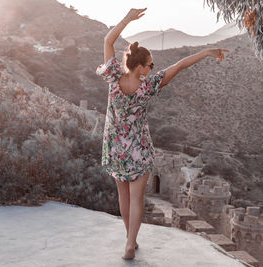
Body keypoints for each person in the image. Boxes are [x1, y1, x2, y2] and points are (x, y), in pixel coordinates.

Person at [96, 8, 229, 260]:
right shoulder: (147, 86)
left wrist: (127, 19)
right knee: (137, 199)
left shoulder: (113, 77)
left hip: (114, 148)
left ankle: (129, 241)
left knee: (123, 197)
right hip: (139, 150)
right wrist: (207, 52)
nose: (152, 68)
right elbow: (179, 66)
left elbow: (107, 40)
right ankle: (130, 243)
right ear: (141, 67)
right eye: (150, 65)